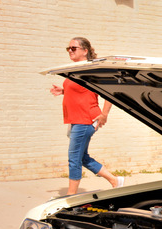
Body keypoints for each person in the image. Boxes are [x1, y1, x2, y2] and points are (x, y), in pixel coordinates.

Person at [50, 37, 122, 195]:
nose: (70, 50)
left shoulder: (91, 70)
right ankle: (114, 180)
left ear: (85, 50)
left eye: (73, 48)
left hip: (86, 119)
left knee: (74, 158)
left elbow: (109, 92)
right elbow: (81, 92)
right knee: (82, 157)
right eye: (68, 48)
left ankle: (70, 197)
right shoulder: (75, 70)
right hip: (76, 120)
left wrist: (104, 114)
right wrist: (63, 91)